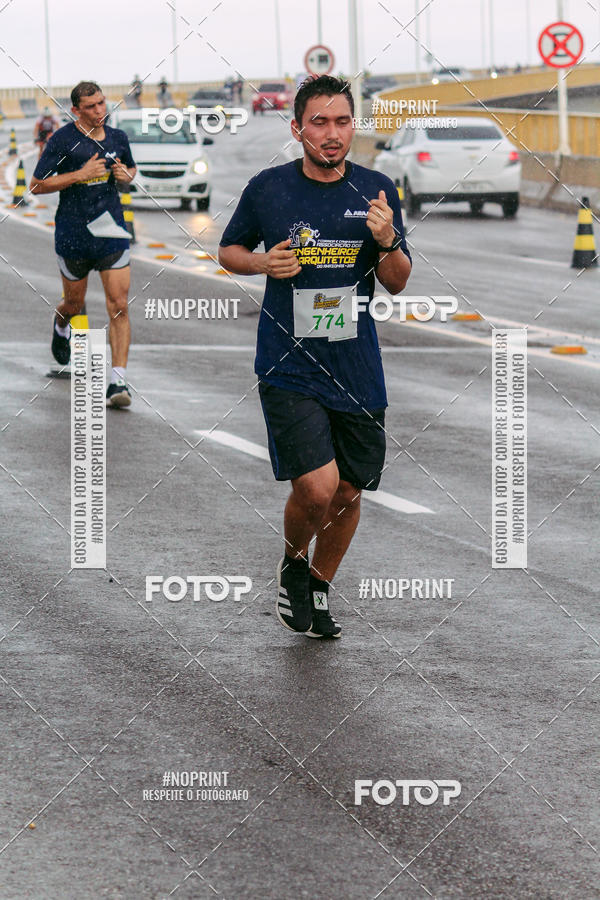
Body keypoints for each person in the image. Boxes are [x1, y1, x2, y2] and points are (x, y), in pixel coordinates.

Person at [218, 75, 412, 639]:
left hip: (357, 366)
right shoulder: (269, 188)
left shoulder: (376, 189)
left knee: (350, 490)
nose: (332, 134)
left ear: (354, 126)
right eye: (320, 123)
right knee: (318, 487)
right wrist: (261, 265)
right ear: (298, 127)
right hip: (288, 361)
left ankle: (317, 585)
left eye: (343, 122)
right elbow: (229, 250)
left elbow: (398, 282)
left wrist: (387, 241)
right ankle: (292, 562)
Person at [29, 81, 137, 408]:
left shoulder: (118, 138)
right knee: (73, 304)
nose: (100, 110)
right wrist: (80, 174)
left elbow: (131, 170)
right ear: (76, 110)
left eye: (102, 103)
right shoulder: (62, 140)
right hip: (73, 233)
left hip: (111, 232)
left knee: (118, 303)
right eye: (91, 106)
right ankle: (61, 324)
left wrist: (125, 175)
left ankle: (118, 382)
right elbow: (37, 185)